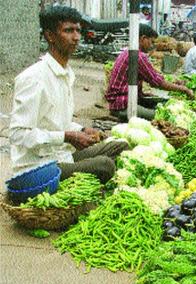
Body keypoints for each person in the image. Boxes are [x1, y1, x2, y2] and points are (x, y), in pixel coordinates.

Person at [9, 5, 128, 183]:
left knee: (120, 147)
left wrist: (81, 130)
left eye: (78, 30)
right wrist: (67, 136)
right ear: (50, 36)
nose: (76, 37)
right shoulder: (34, 78)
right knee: (105, 165)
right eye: (68, 31)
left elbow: (56, 122)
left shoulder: (66, 73)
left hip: (61, 156)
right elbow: (18, 134)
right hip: (36, 168)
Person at [106, 24, 193, 121]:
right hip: (122, 105)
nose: (152, 46)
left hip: (121, 101)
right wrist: (184, 89)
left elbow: (153, 76)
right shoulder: (138, 56)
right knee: (165, 116)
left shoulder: (128, 52)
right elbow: (157, 82)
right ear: (143, 39)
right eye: (151, 42)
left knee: (162, 103)